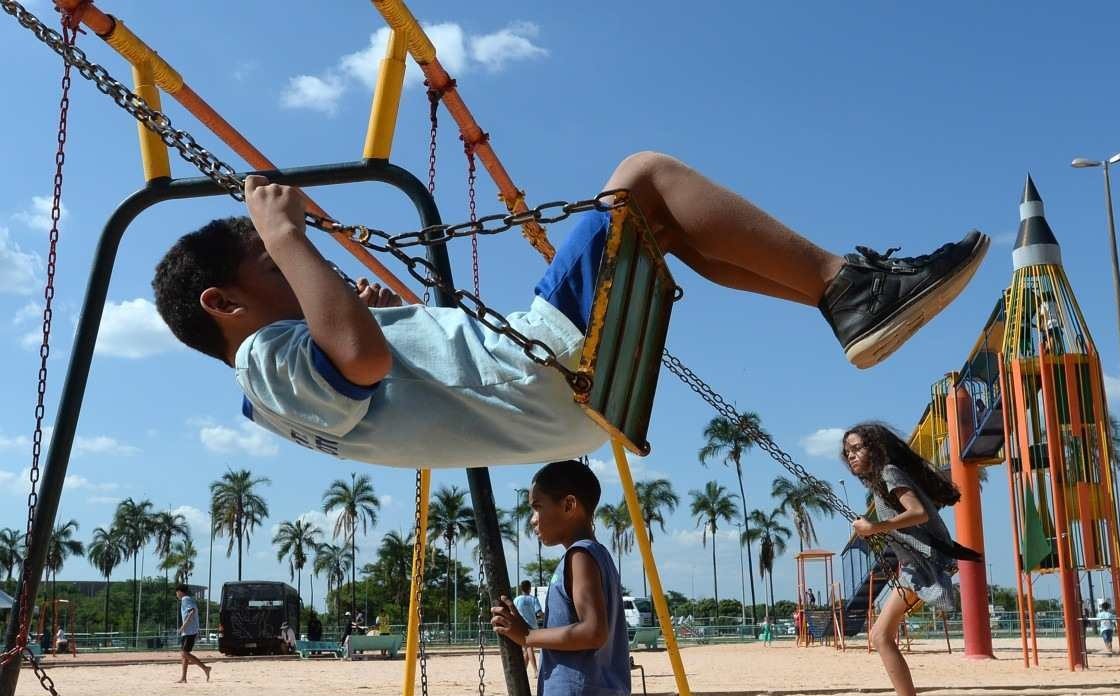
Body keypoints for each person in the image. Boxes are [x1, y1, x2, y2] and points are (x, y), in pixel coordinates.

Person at [152, 154, 989, 470]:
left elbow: (378, 370)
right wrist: (285, 231)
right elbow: (362, 364)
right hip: (534, 370)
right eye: (268, 264)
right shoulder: (262, 363)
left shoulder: (274, 384)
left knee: (657, 224)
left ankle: (844, 299)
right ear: (223, 302)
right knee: (644, 175)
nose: (292, 261)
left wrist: (385, 313)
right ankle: (848, 289)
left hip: (541, 403)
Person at [841, 423, 981, 696]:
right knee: (879, 636)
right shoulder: (883, 481)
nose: (852, 456)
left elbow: (916, 514)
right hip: (914, 565)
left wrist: (876, 526)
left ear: (875, 448)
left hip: (924, 564)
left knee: (879, 636)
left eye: (858, 448)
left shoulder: (889, 472)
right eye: (848, 452)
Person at [491, 461, 629, 696]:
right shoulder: (597, 555)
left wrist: (527, 636)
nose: (533, 520)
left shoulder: (579, 557)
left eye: (538, 507)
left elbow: (593, 631)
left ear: (569, 505)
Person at [175, 585, 211, 683]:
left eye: (176, 592)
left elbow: (192, 612)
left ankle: (205, 668)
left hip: (190, 631)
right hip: (188, 631)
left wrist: (183, 627)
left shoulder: (185, 599)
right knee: (184, 655)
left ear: (180, 592)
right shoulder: (187, 599)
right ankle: (183, 678)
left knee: (184, 653)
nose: (176, 595)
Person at [512, 579, 544, 674]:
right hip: (532, 625)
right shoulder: (533, 598)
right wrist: (546, 617)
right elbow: (539, 612)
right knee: (529, 648)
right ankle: (535, 670)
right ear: (530, 588)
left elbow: (513, 612)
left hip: (521, 625)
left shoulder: (516, 599)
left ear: (521, 589)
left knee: (527, 649)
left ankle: (523, 671)